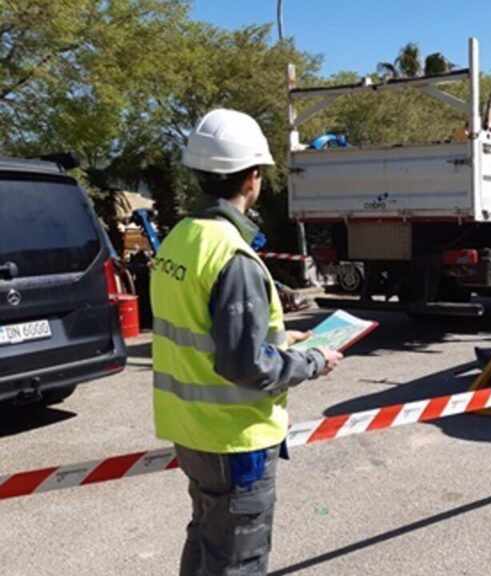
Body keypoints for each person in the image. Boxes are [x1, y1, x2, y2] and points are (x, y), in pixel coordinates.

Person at [150, 108, 343, 575]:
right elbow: (244, 366)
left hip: (191, 430)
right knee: (239, 557)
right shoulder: (232, 255)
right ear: (253, 177)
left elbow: (204, 327)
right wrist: (313, 361)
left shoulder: (180, 238)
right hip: (234, 439)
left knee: (206, 537)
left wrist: (281, 336)